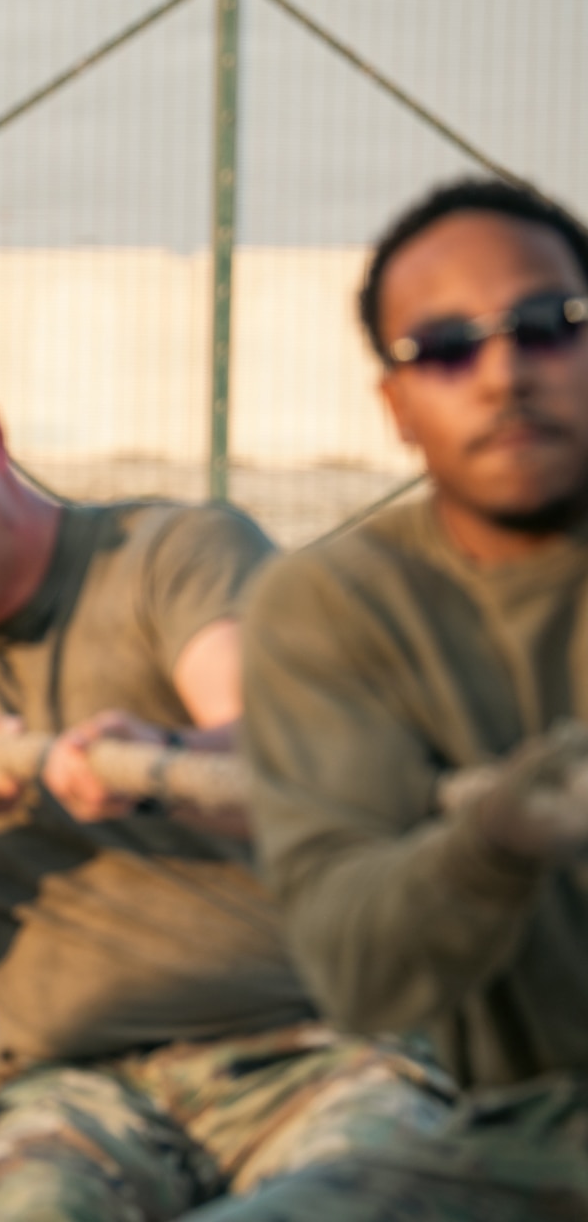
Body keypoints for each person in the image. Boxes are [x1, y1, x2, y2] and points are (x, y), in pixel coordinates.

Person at [0, 335, 455, 1220]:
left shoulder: (172, 555)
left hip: (322, 1054)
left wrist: (162, 762)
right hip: (71, 1092)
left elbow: (309, 771)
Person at [218, 179, 588, 1219]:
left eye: (548, 326)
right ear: (393, 404)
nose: (504, 373)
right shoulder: (336, 604)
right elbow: (361, 970)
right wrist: (495, 844)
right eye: (443, 348)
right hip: (525, 1133)